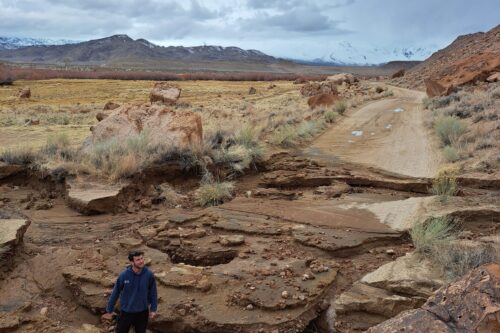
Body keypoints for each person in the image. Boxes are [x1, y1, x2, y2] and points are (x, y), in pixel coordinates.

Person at [102, 251, 158, 333]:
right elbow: (115, 292)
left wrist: (153, 309)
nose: (141, 261)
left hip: (142, 312)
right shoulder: (124, 275)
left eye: (142, 258)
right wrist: (109, 309)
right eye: (138, 260)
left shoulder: (149, 275)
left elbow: (153, 292)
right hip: (126, 312)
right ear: (132, 262)